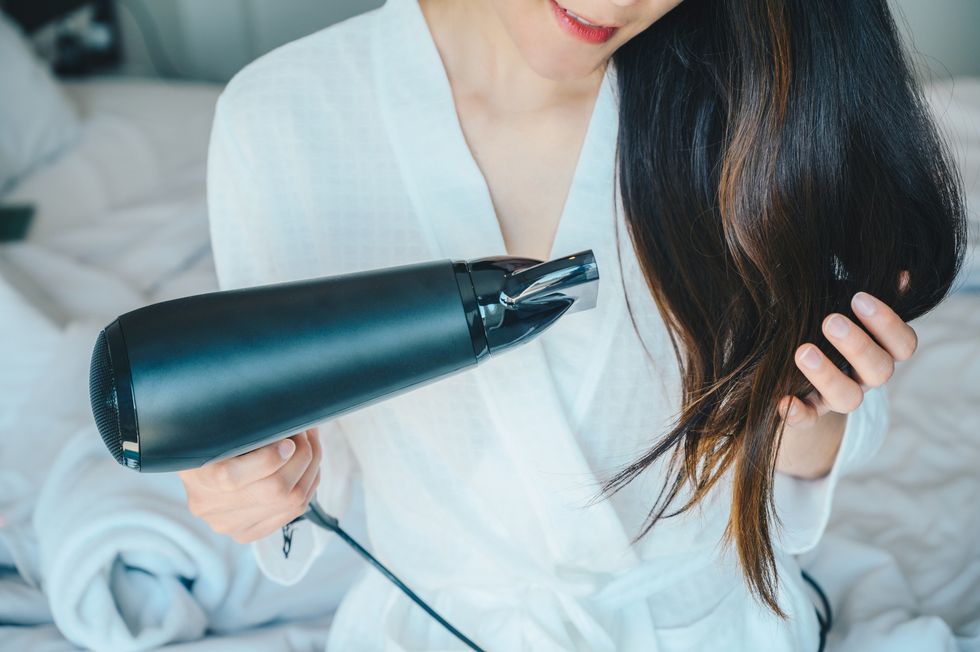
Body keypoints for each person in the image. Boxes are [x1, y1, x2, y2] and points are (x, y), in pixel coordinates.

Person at [182, 0, 967, 649]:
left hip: (710, 629)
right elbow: (300, 466)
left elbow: (804, 447)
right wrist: (253, 485)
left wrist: (812, 416)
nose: (618, 4)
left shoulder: (745, 90)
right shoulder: (278, 121)